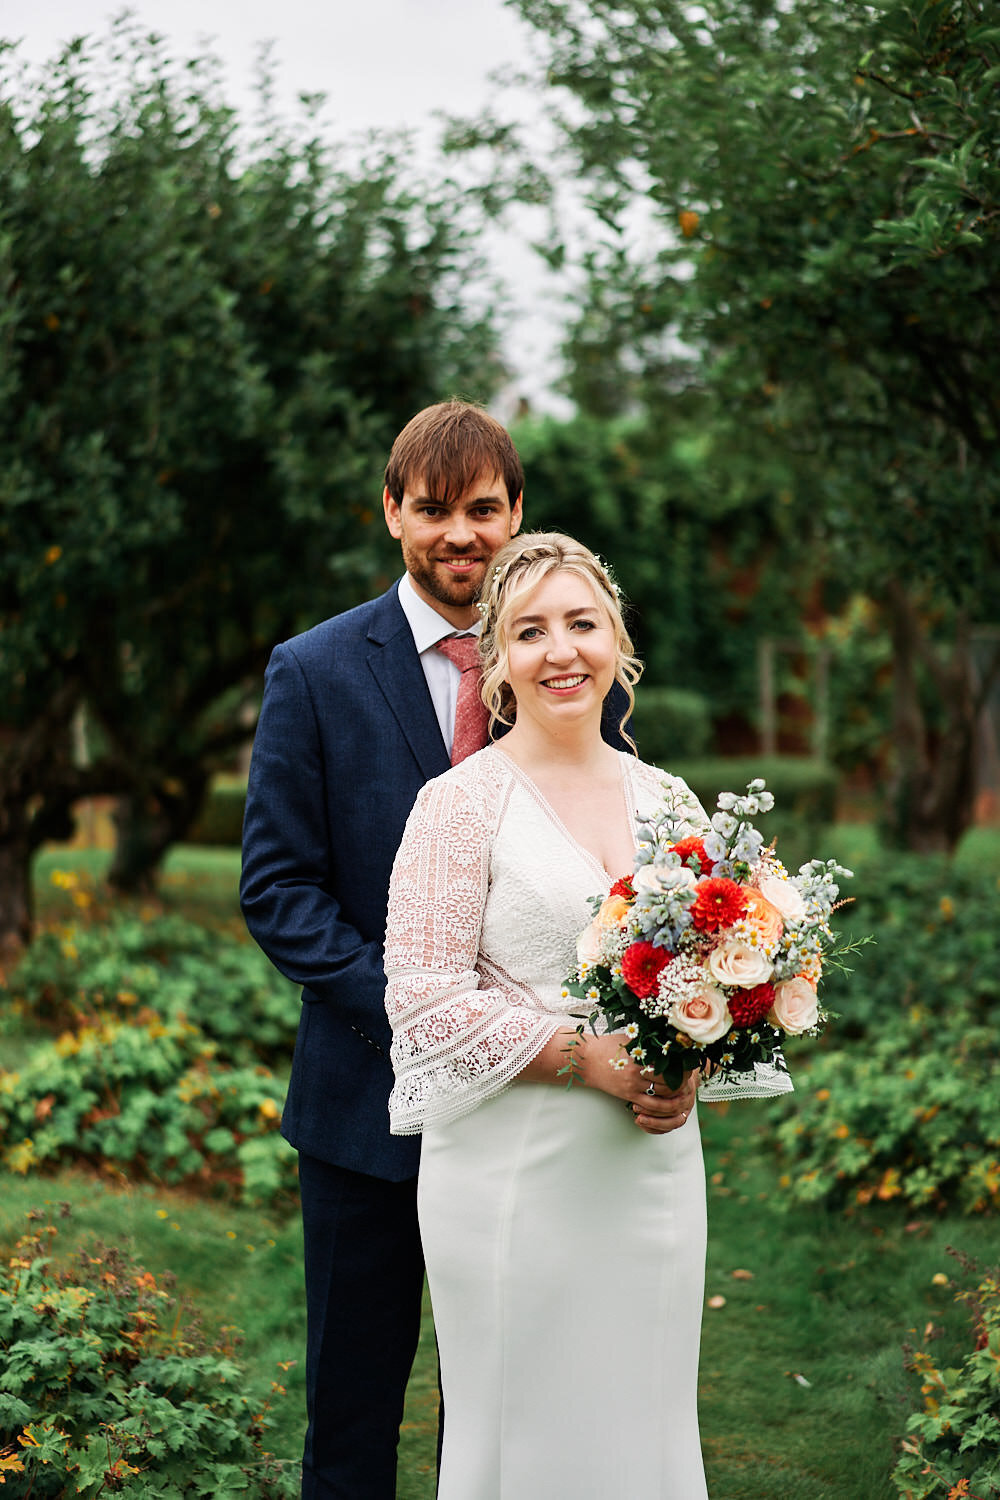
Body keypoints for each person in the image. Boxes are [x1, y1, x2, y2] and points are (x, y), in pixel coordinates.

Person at [240, 407, 629, 1497]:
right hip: (363, 1110)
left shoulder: (568, 673)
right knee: (354, 1416)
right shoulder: (312, 672)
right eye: (433, 510)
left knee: (505, 1413)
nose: (460, 534)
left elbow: (610, 876)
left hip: (530, 1123)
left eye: (483, 509)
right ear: (391, 512)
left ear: (516, 515)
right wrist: (423, 1012)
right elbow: (277, 890)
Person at [383, 532, 711, 1500]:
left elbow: (707, 981)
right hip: (508, 1171)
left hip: (648, 1171)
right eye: (529, 631)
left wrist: (688, 1060)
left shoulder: (671, 802)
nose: (560, 650)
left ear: (617, 642)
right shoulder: (457, 807)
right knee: (521, 1432)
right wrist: (583, 1057)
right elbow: (422, 997)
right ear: (497, 659)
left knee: (644, 1419)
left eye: (582, 623)